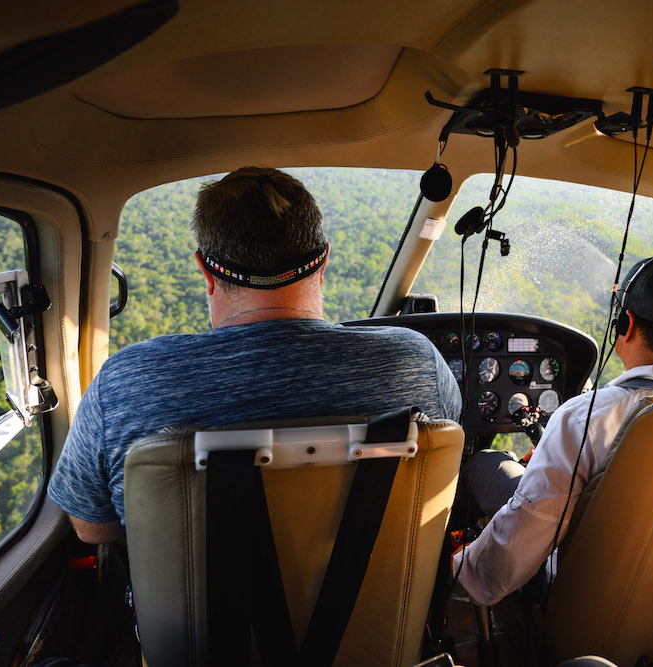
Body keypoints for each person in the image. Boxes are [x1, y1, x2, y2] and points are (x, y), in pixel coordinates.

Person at [48, 167, 462, 544]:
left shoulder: (125, 382)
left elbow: (90, 527)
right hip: (385, 626)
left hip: (188, 629)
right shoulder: (415, 360)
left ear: (206, 272)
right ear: (323, 263)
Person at [454, 253, 653, 606]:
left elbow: (531, 525)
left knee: (486, 462)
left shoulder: (585, 417)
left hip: (587, 598)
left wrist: (465, 569)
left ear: (624, 323)